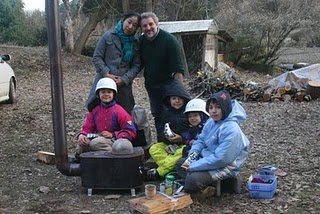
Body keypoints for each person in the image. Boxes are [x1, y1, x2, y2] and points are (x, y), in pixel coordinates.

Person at [175, 90, 250, 198]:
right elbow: (200, 140)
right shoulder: (211, 121)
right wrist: (192, 156)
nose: (214, 111)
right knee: (180, 164)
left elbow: (221, 159)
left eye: (218, 107)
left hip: (225, 165)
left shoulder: (232, 130)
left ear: (225, 108)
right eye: (211, 108)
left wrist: (193, 166)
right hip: (209, 157)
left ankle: (215, 187)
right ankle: (210, 183)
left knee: (191, 180)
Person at [139, 12, 186, 141]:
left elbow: (178, 69)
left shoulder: (170, 41)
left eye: (150, 24)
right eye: (144, 26)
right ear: (141, 28)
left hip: (169, 86)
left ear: (156, 24)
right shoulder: (141, 41)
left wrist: (178, 91)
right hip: (152, 85)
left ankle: (178, 141)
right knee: (157, 115)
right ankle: (162, 141)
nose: (148, 28)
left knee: (172, 114)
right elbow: (138, 63)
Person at [86, 12, 141, 113]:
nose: (130, 27)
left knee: (124, 114)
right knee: (98, 113)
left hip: (123, 87)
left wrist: (125, 79)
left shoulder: (136, 42)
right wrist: (106, 74)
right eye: (129, 22)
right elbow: (97, 57)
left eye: (134, 25)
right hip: (103, 82)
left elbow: (136, 65)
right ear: (123, 20)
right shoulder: (108, 36)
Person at [77, 77, 136, 155]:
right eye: (103, 92)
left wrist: (113, 134)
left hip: (116, 140)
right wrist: (82, 134)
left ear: (114, 94)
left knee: (96, 143)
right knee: (82, 144)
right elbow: (87, 127)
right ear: (98, 94)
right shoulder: (95, 110)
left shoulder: (119, 111)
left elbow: (131, 131)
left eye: (109, 92)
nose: (106, 94)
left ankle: (111, 161)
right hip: (98, 137)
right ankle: (84, 164)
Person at [147, 79, 191, 180]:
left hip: (183, 144)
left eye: (180, 98)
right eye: (174, 98)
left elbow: (193, 132)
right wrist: (166, 137)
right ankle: (170, 168)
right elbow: (161, 129)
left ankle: (159, 172)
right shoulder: (166, 113)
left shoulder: (188, 113)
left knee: (181, 153)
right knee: (154, 149)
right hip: (170, 145)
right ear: (169, 100)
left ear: (185, 99)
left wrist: (181, 138)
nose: (177, 101)